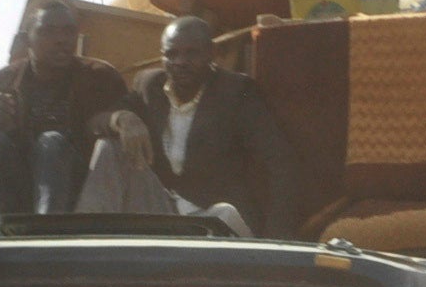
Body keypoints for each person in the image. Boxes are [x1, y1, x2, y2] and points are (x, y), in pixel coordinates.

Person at [0, 0, 130, 236]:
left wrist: (122, 119)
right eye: (48, 31)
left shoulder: (100, 78)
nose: (61, 39)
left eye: (68, 31)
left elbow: (113, 140)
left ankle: (45, 235)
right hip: (14, 201)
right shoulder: (4, 81)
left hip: (78, 200)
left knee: (52, 142)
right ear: (26, 40)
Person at [124, 15, 302, 238]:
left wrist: (278, 238)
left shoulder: (237, 92)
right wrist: (122, 117)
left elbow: (282, 163)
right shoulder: (149, 85)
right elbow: (102, 115)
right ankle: (90, 243)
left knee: (222, 218)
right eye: (171, 54)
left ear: (211, 54)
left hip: (216, 217)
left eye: (192, 53)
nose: (180, 61)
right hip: (163, 213)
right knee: (107, 147)